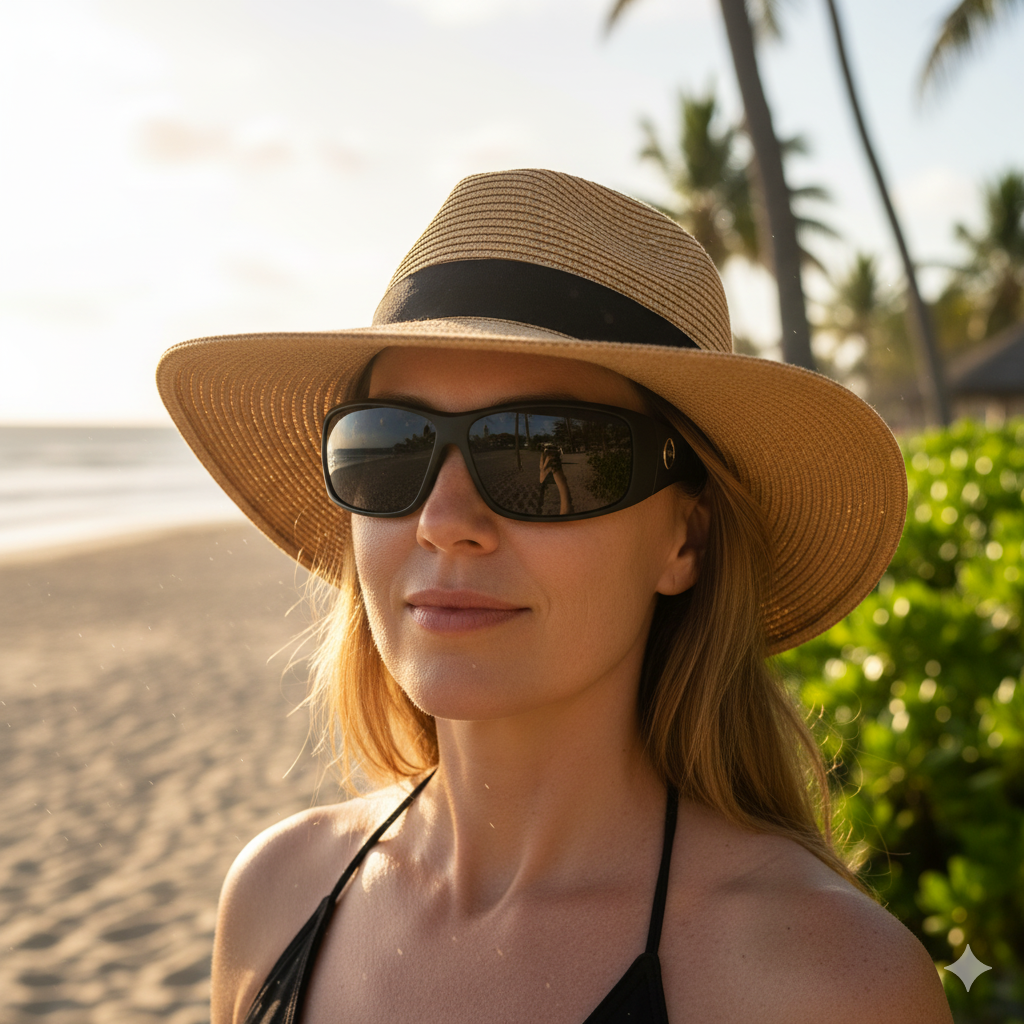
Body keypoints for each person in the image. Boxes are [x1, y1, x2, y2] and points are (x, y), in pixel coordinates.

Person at [157, 169, 953, 1024]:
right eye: (388, 444)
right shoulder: (275, 896)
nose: (444, 520)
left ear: (684, 539)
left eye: (550, 454)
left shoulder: (822, 985)